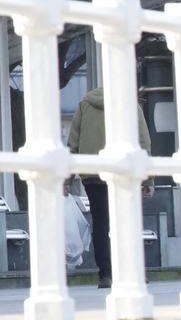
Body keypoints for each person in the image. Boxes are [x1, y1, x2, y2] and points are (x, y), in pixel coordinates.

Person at [65, 87, 152, 289]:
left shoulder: (85, 104)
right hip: (125, 173)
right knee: (128, 223)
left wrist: (67, 179)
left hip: (93, 172)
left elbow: (73, 143)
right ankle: (133, 273)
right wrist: (148, 179)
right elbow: (144, 142)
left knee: (101, 223)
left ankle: (106, 274)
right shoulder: (130, 105)